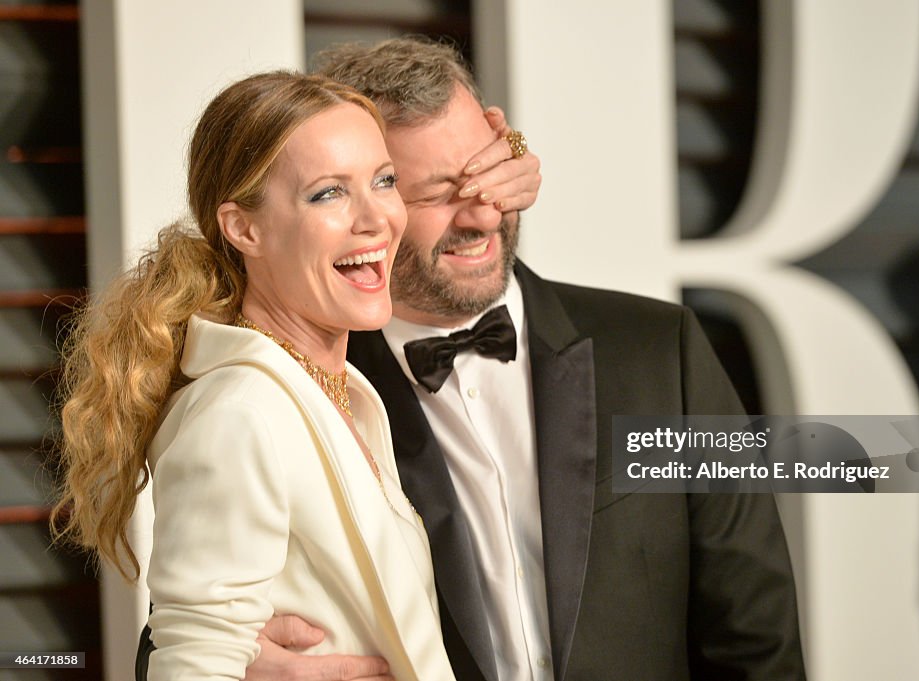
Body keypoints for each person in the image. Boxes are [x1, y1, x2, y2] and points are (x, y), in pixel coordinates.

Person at [138, 38, 806, 680]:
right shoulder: (313, 391)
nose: (480, 215)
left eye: (485, 174)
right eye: (431, 192)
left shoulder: (663, 352)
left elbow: (757, 631)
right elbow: (197, 625)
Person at [53, 71, 475, 681]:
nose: (377, 219)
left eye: (384, 181)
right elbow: (192, 666)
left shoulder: (338, 393)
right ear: (244, 228)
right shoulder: (240, 411)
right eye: (328, 193)